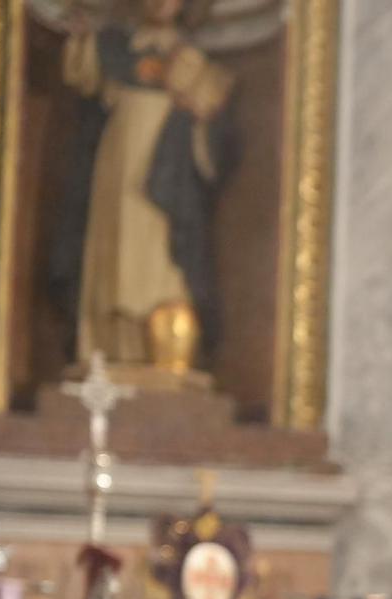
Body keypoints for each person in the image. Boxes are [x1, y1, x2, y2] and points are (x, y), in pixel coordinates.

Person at [51, 0, 236, 372]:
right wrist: (82, 36)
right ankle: (104, 349)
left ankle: (164, 350)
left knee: (160, 256)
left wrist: (198, 107)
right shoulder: (117, 47)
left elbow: (214, 120)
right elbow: (83, 75)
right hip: (118, 158)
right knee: (113, 248)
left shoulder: (192, 58)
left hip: (169, 167)